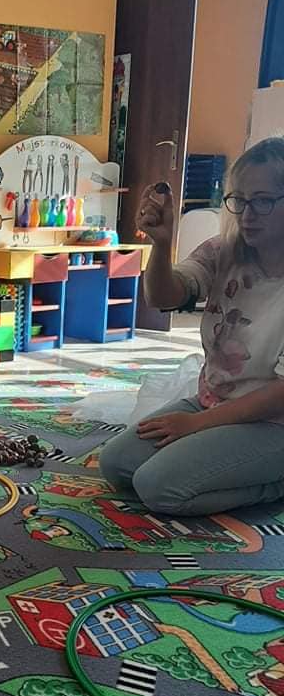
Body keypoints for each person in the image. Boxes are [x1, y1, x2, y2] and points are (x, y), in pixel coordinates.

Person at [99, 136, 284, 515]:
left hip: (273, 422)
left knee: (158, 487)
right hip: (214, 400)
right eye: (239, 200)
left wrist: (196, 425)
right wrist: (160, 244)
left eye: (263, 201)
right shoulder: (224, 250)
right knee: (117, 464)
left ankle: (275, 483)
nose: (247, 215)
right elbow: (164, 297)